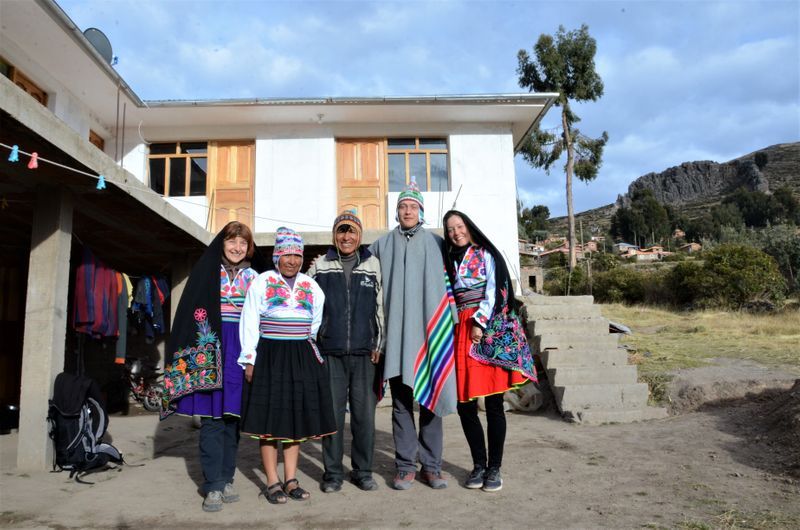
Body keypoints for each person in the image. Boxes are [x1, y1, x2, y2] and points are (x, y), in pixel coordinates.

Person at [163, 221, 267, 512]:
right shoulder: (207, 273)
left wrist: (256, 357)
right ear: (222, 243)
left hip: (242, 351)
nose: (237, 248)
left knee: (232, 419)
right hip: (212, 348)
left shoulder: (256, 278)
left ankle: (226, 477)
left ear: (249, 248)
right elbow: (192, 312)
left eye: (243, 243)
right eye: (232, 241)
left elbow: (263, 318)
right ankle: (212, 486)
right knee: (212, 419)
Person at [369, 179, 458, 491]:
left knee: (432, 402)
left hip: (430, 337)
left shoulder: (436, 244)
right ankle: (406, 467)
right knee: (402, 404)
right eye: (403, 207)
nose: (407, 211)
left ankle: (431, 467)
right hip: (396, 338)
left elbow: (451, 284)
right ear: (397, 212)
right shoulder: (381, 245)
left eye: (413, 207)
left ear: (421, 212)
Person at [238, 227, 336, 504]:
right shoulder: (262, 281)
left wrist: (303, 343)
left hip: (301, 355)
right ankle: (272, 481)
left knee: (293, 420)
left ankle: (291, 478)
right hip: (269, 355)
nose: (292, 261)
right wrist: (249, 359)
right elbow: (249, 321)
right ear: (277, 256)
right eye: (287, 255)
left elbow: (314, 323)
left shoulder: (311, 285)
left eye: (297, 255)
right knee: (269, 420)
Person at [442, 210, 537, 492]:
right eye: (450, 229)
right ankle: (478, 465)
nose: (455, 232)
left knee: (494, 403)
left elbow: (494, 290)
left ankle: (495, 468)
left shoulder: (485, 255)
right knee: (464, 404)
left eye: (459, 226)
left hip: (484, 327)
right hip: (457, 328)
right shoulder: (446, 260)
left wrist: (480, 323)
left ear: (469, 227)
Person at [307, 211, 384, 493]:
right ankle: (333, 474)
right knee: (333, 417)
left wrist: (379, 345)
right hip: (330, 353)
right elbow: (307, 308)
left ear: (360, 236)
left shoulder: (373, 265)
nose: (347, 237)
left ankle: (363, 472)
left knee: (364, 417)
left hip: (365, 354)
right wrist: (313, 346)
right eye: (342, 231)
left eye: (352, 231)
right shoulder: (319, 266)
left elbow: (381, 308)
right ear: (334, 235)